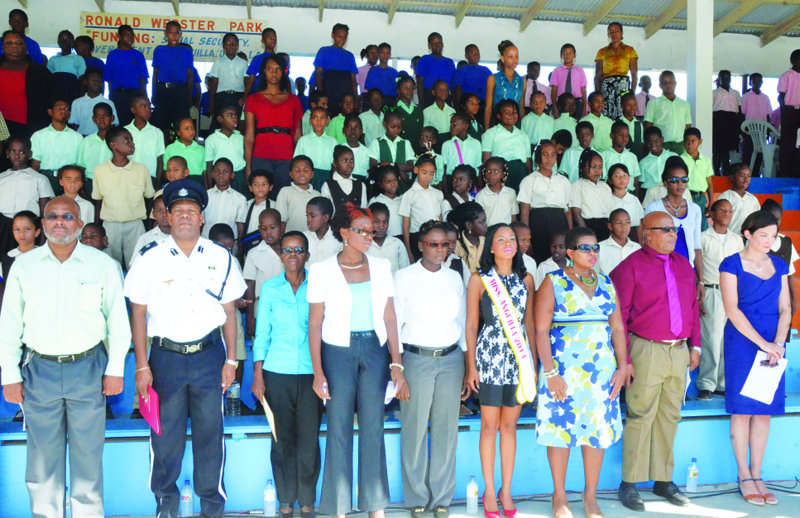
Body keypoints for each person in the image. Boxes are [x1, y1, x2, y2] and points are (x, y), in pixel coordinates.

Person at [0, 196, 130, 518]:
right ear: (43, 225)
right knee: (42, 461)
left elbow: (118, 322)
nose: (60, 222)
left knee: (88, 458)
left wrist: (115, 370)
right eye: (53, 217)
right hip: (38, 371)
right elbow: (9, 324)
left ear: (80, 224)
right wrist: (10, 376)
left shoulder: (103, 265)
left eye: (68, 217)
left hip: (88, 370)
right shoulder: (24, 267)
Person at [125, 179, 247, 518]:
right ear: (166, 216)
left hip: (210, 357)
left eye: (191, 211)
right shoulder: (150, 258)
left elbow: (229, 312)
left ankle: (212, 505)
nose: (184, 217)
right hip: (165, 359)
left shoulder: (221, 257)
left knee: (211, 434)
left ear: (202, 218)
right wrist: (141, 365)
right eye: (177, 211)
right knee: (165, 437)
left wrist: (232, 360)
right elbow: (137, 312)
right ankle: (166, 502)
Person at [307, 202, 408, 518]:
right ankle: (338, 507)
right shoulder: (322, 269)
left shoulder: (380, 266)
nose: (369, 235)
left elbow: (390, 317)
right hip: (337, 352)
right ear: (345, 233)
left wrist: (397, 363)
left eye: (372, 230)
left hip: (375, 351)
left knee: (373, 426)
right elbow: (314, 323)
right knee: (338, 426)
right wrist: (317, 371)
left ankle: (375, 506)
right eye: (362, 231)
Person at [535, 227, 628, 518]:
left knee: (597, 431)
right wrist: (550, 373)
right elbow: (539, 329)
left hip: (600, 371)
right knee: (561, 431)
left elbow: (617, 327)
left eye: (596, 248)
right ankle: (559, 496)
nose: (593, 253)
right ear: (570, 252)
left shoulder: (606, 282)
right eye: (585, 248)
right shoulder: (553, 282)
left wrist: (623, 366)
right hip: (562, 370)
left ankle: (590, 496)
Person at [611, 211, 702, 511]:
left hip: (678, 350)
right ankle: (630, 483)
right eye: (664, 230)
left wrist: (696, 346)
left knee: (669, 415)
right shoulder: (629, 267)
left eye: (674, 229)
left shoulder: (684, 265)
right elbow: (618, 319)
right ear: (646, 233)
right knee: (641, 415)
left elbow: (692, 307)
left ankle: (663, 480)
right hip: (645, 348)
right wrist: (624, 361)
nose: (671, 234)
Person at [395, 220, 466, 518]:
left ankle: (442, 498)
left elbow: (463, 324)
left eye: (444, 244)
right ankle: (417, 497)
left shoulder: (454, 277)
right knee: (414, 428)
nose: (440, 249)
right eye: (433, 244)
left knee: (446, 429)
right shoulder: (403, 277)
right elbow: (394, 324)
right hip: (416, 359)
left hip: (451, 359)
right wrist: (396, 368)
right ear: (421, 245)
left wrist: (467, 366)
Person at [464, 223, 536, 518]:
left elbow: (529, 324)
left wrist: (532, 365)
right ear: (490, 247)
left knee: (509, 427)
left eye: (512, 239)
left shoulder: (526, 279)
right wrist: (471, 367)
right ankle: (489, 491)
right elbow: (471, 324)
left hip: (517, 361)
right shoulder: (479, 279)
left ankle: (507, 490)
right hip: (490, 358)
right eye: (500, 239)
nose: (508, 243)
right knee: (489, 426)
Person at [720, 210, 790, 506]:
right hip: (743, 342)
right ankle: (744, 474)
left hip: (772, 344)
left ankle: (759, 474)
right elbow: (732, 310)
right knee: (743, 410)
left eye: (773, 237)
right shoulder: (731, 264)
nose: (769, 241)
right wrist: (763, 343)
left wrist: (777, 343)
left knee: (763, 411)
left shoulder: (780, 264)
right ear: (748, 233)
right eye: (763, 235)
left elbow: (786, 308)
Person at [251, 230, 321, 517]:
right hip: (276, 373)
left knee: (308, 440)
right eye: (287, 250)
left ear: (306, 254)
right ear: (280, 255)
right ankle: (285, 500)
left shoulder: (317, 286)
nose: (293, 255)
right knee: (281, 441)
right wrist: (258, 375)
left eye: (298, 250)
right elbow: (262, 333)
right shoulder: (270, 288)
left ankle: (306, 501)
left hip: (311, 373)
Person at [697, 199, 744, 401]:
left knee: (728, 339)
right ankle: (707, 383)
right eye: (722, 210)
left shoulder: (737, 239)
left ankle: (722, 384)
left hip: (733, 293)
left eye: (730, 211)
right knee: (712, 340)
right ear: (712, 214)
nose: (726, 214)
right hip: (712, 291)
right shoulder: (702, 238)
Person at [92, 126, 155, 267]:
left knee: (137, 265)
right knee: (111, 265)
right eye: (127, 141)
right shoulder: (100, 170)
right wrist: (98, 227)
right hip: (110, 225)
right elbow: (98, 201)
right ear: (113, 145)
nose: (132, 144)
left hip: (136, 225)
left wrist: (148, 225)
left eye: (132, 140)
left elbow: (149, 198)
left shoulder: (141, 169)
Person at [245, 54, 304, 198]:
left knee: (283, 200)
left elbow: (298, 136)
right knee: (261, 199)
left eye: (278, 69)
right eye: (270, 69)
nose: (274, 73)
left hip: (286, 156)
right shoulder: (253, 99)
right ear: (263, 71)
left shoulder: (293, 100)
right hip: (261, 155)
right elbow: (249, 137)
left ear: (284, 72)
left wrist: (298, 163)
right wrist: (248, 167)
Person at [644, 155, 704, 279]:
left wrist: (701, 280)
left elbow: (697, 247)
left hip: (688, 271)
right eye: (674, 180)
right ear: (665, 182)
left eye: (684, 179)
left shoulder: (695, 209)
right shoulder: (653, 208)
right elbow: (648, 245)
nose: (680, 184)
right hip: (660, 272)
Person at [518, 140, 571, 263]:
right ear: (538, 157)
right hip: (538, 224)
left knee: (559, 259)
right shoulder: (529, 180)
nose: (549, 159)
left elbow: (568, 210)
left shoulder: (563, 181)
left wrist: (570, 235)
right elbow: (525, 211)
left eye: (553, 155)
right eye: (545, 154)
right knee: (540, 256)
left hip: (559, 223)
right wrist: (526, 238)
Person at [0, 28, 57, 140]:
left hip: (28, 128)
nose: (14, 46)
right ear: (2, 46)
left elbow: (51, 101)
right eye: (9, 43)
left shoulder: (40, 72)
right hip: (1, 126)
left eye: (19, 43)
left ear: (25, 47)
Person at [0, 138, 52, 254]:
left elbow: (45, 211)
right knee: (5, 260)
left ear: (29, 155)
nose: (17, 156)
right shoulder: (2, 178)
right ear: (7, 154)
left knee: (27, 257)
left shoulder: (39, 179)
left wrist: (43, 239)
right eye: (13, 151)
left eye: (22, 152)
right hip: (4, 225)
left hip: (28, 226)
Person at [30, 98, 84, 194]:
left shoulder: (77, 137)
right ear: (50, 112)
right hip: (46, 178)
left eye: (67, 109)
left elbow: (80, 165)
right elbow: (35, 164)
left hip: (69, 181)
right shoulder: (38, 135)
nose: (64, 111)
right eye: (59, 108)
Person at [480, 99, 532, 192]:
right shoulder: (490, 134)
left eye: (515, 112)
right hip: (500, 174)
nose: (512, 115)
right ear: (499, 115)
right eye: (507, 113)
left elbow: (528, 163)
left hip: (520, 173)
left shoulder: (523, 136)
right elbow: (486, 161)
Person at [400, 156, 443, 262]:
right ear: (416, 170)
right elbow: (406, 224)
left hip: (436, 236)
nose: (428, 177)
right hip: (418, 237)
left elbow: (440, 216)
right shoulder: (409, 195)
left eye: (431, 174)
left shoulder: (437, 193)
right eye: (424, 172)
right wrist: (408, 251)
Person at [104, 25, 148, 128]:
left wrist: (144, 97)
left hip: (134, 95)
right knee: (118, 125)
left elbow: (142, 79)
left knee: (134, 125)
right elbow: (109, 80)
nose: (131, 38)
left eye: (132, 35)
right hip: (118, 96)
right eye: (127, 35)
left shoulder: (138, 55)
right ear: (119, 36)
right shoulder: (112, 55)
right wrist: (111, 96)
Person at [594, 22, 638, 120]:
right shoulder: (602, 51)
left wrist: (632, 92)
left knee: (623, 115)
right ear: (608, 35)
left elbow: (634, 74)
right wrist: (597, 94)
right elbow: (598, 76)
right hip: (606, 88)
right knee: (607, 116)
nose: (614, 34)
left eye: (616, 31)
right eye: (611, 32)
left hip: (623, 87)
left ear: (622, 33)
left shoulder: (630, 50)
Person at [313, 23, 358, 116]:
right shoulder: (324, 51)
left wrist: (356, 98)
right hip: (329, 93)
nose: (342, 40)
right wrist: (322, 96)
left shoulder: (350, 56)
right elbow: (318, 75)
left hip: (346, 95)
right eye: (339, 36)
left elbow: (353, 80)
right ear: (333, 35)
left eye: (345, 37)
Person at [644, 71, 692, 155]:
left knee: (679, 167)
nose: (668, 85)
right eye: (664, 83)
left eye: (671, 82)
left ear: (675, 83)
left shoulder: (685, 104)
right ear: (660, 85)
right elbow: (648, 127)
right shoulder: (653, 103)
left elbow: (687, 127)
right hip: (661, 145)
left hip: (679, 145)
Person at [571, 149, 613, 241]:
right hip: (588, 226)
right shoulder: (578, 185)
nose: (597, 171)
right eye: (593, 167)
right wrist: (587, 234)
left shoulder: (605, 186)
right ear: (583, 167)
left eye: (600, 167)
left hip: (606, 226)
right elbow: (576, 213)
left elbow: (611, 212)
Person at [207, 33, 248, 124]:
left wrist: (244, 98)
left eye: (233, 44)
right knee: (219, 124)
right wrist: (211, 102)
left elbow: (247, 82)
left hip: (238, 99)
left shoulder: (243, 63)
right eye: (228, 44)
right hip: (222, 98)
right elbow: (214, 83)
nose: (231, 46)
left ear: (237, 46)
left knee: (236, 125)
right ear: (223, 46)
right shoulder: (218, 63)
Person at [205, 105, 247, 193]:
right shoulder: (211, 139)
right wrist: (209, 188)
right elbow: (209, 165)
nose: (235, 119)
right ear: (220, 119)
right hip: (221, 176)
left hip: (239, 176)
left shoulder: (241, 138)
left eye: (235, 116)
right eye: (230, 116)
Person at [126, 94, 165, 185]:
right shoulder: (125, 131)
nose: (148, 109)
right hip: (128, 177)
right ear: (133, 110)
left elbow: (159, 161)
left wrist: (158, 185)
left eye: (149, 106)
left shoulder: (157, 133)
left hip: (150, 179)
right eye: (144, 106)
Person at [484, 40, 524, 130]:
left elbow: (521, 107)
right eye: (510, 57)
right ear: (502, 58)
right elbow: (488, 107)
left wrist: (522, 129)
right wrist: (486, 130)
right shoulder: (493, 79)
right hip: (498, 123)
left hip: (515, 124)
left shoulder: (522, 80)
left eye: (516, 56)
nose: (514, 60)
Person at [276, 156, 321, 233]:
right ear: (291, 174)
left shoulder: (317, 195)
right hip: (290, 238)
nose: (302, 173)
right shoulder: (285, 192)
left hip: (312, 239)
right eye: (297, 171)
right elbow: (281, 220)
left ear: (312, 174)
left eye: (306, 170)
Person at [69, 67, 118, 136]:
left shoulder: (109, 103)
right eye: (93, 80)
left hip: (102, 138)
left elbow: (113, 125)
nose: (96, 83)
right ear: (85, 82)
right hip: (82, 138)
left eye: (99, 80)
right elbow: (75, 125)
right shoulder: (77, 103)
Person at [719, 163, 762, 237]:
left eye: (749, 176)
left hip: (748, 239)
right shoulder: (726, 197)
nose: (746, 179)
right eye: (742, 176)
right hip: (731, 238)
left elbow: (757, 220)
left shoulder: (753, 199)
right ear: (731, 178)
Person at [712, 70, 742, 175]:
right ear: (719, 79)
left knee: (728, 149)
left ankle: (727, 172)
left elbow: (740, 110)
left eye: (727, 78)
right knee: (718, 149)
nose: (726, 80)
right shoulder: (714, 93)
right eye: (723, 78)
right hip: (719, 120)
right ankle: (716, 172)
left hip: (732, 121)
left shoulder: (736, 93)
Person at [741, 73, 772, 175]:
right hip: (749, 131)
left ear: (762, 82)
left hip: (762, 131)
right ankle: (746, 175)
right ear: (750, 82)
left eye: (759, 81)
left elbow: (768, 116)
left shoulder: (766, 98)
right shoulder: (745, 97)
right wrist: (743, 131)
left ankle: (756, 175)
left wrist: (767, 131)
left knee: (760, 154)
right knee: (748, 154)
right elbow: (742, 114)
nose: (757, 83)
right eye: (754, 81)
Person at [129, 192, 170, 267]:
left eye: (168, 210)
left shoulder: (183, 236)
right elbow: (135, 265)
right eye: (160, 211)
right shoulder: (145, 239)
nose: (164, 214)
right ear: (154, 214)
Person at [367, 202, 409, 273]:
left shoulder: (397, 244)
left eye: (385, 222)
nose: (381, 226)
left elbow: (405, 271)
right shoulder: (364, 245)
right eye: (376, 222)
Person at [416, 32, 455, 108]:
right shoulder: (424, 59)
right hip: (429, 97)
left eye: (439, 42)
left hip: (446, 97)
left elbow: (453, 84)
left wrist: (455, 102)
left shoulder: (449, 62)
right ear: (429, 46)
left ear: (442, 44)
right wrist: (421, 100)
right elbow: (419, 81)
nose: (437, 45)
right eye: (434, 43)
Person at [597, 208, 641, 275]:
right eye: (619, 223)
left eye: (628, 222)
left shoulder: (636, 247)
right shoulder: (599, 248)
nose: (624, 226)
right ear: (610, 226)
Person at [778, 50, 800, 178]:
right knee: (788, 142)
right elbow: (781, 96)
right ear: (793, 61)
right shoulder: (786, 76)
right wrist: (784, 111)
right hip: (790, 111)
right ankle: (785, 172)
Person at [48, 30, 85, 104]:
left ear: (72, 42)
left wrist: (80, 97)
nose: (64, 42)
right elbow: (48, 79)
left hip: (72, 91)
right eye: (61, 40)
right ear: (58, 42)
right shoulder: (53, 59)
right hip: (56, 90)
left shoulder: (78, 59)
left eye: (66, 39)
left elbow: (82, 80)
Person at [550, 44, 587, 119]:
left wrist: (584, 107)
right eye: (565, 53)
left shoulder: (580, 71)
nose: (567, 55)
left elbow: (583, 90)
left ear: (574, 55)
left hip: (576, 103)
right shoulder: (557, 71)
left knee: (576, 125)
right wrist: (555, 107)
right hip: (562, 102)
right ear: (561, 56)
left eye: (570, 53)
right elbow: (554, 90)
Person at [452, 44, 491, 108]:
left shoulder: (486, 70)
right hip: (468, 106)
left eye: (477, 53)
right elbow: (457, 90)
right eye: (473, 53)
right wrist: (458, 107)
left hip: (484, 105)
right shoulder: (461, 71)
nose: (476, 55)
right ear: (466, 56)